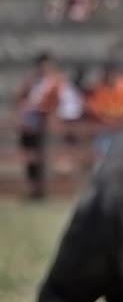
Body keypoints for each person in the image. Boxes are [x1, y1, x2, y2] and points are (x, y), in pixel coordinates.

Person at [13, 52, 64, 200]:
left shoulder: (55, 83)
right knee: (30, 160)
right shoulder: (31, 83)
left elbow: (56, 104)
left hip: (45, 126)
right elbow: (21, 100)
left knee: (44, 158)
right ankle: (33, 190)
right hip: (29, 125)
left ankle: (43, 192)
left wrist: (40, 108)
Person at [86, 61, 123, 155]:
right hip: (107, 129)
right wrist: (110, 121)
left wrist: (120, 120)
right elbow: (96, 109)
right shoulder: (99, 88)